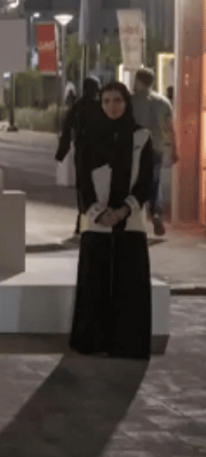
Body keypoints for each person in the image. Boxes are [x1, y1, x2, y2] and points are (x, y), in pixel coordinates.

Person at [70, 82, 154, 359]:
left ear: (126, 103)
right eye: (106, 101)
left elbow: (145, 182)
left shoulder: (142, 137)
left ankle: (127, 343)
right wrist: (98, 212)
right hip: (96, 222)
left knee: (130, 285)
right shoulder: (88, 137)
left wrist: (123, 211)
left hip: (130, 222)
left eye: (117, 100)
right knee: (94, 284)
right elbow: (82, 180)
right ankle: (92, 340)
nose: (112, 106)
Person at [131, 69, 177, 236]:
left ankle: (136, 216)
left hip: (135, 147)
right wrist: (175, 150)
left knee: (134, 181)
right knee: (154, 182)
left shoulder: (131, 101)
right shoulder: (163, 102)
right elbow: (171, 128)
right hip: (156, 147)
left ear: (138, 81)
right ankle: (156, 213)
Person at [56, 77, 104, 236]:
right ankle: (96, 220)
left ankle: (82, 222)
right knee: (99, 188)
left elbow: (67, 130)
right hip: (100, 153)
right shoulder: (101, 107)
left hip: (82, 152)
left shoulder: (77, 107)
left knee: (83, 188)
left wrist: (61, 153)